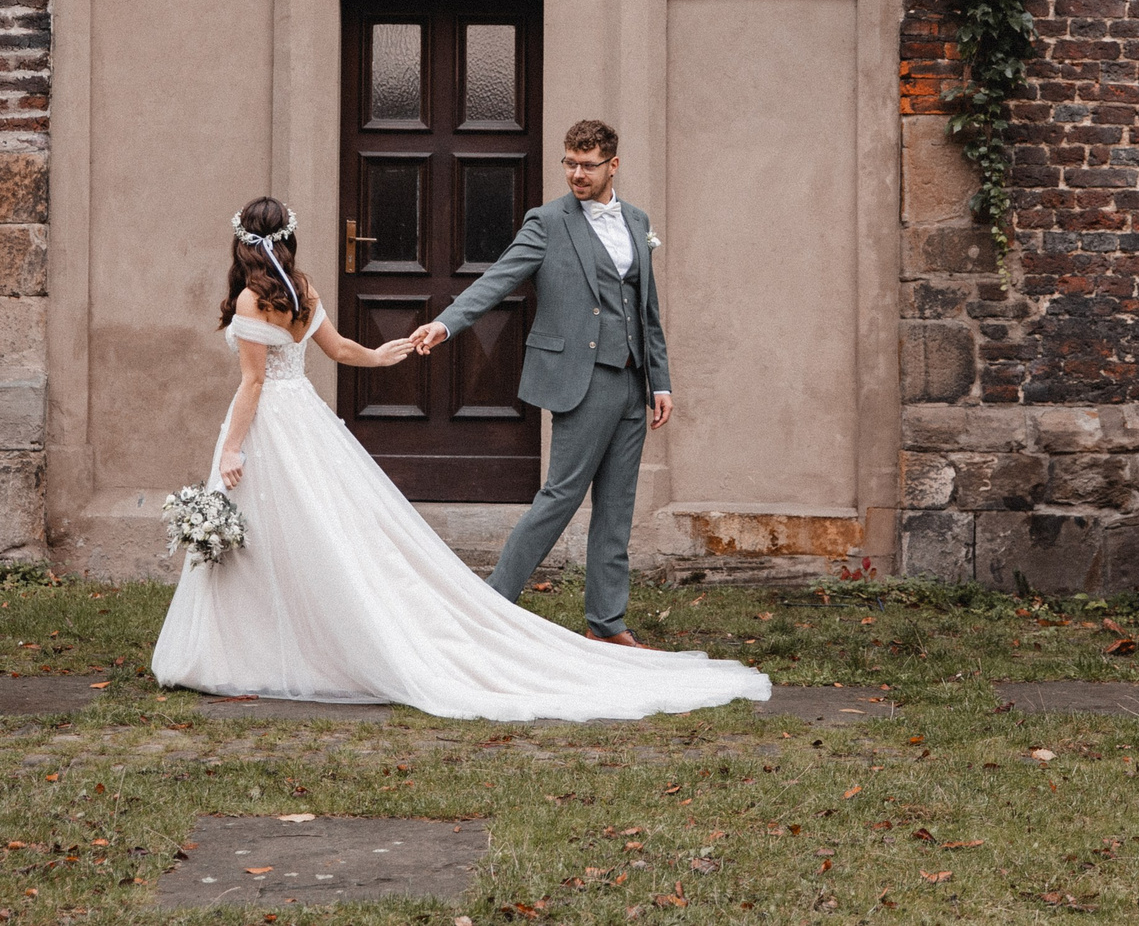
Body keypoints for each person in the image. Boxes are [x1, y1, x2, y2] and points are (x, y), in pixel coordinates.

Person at [150, 196, 767, 721]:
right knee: (316, 534)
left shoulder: (251, 304)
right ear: (287, 238)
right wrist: (390, 353)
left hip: (269, 428)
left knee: (280, 535)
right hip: (306, 421)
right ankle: (299, 639)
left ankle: (263, 647)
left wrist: (231, 446)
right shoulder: (302, 290)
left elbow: (254, 385)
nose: (577, 173)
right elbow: (340, 349)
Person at [410, 119, 664, 644]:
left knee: (617, 506)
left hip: (632, 381)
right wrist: (446, 323)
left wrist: (660, 382)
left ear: (612, 165)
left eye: (588, 165)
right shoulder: (547, 222)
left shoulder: (637, 221)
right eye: (570, 162)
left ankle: (606, 623)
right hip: (581, 378)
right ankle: (489, 605)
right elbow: (498, 278)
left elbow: (647, 307)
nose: (576, 173)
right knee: (561, 496)